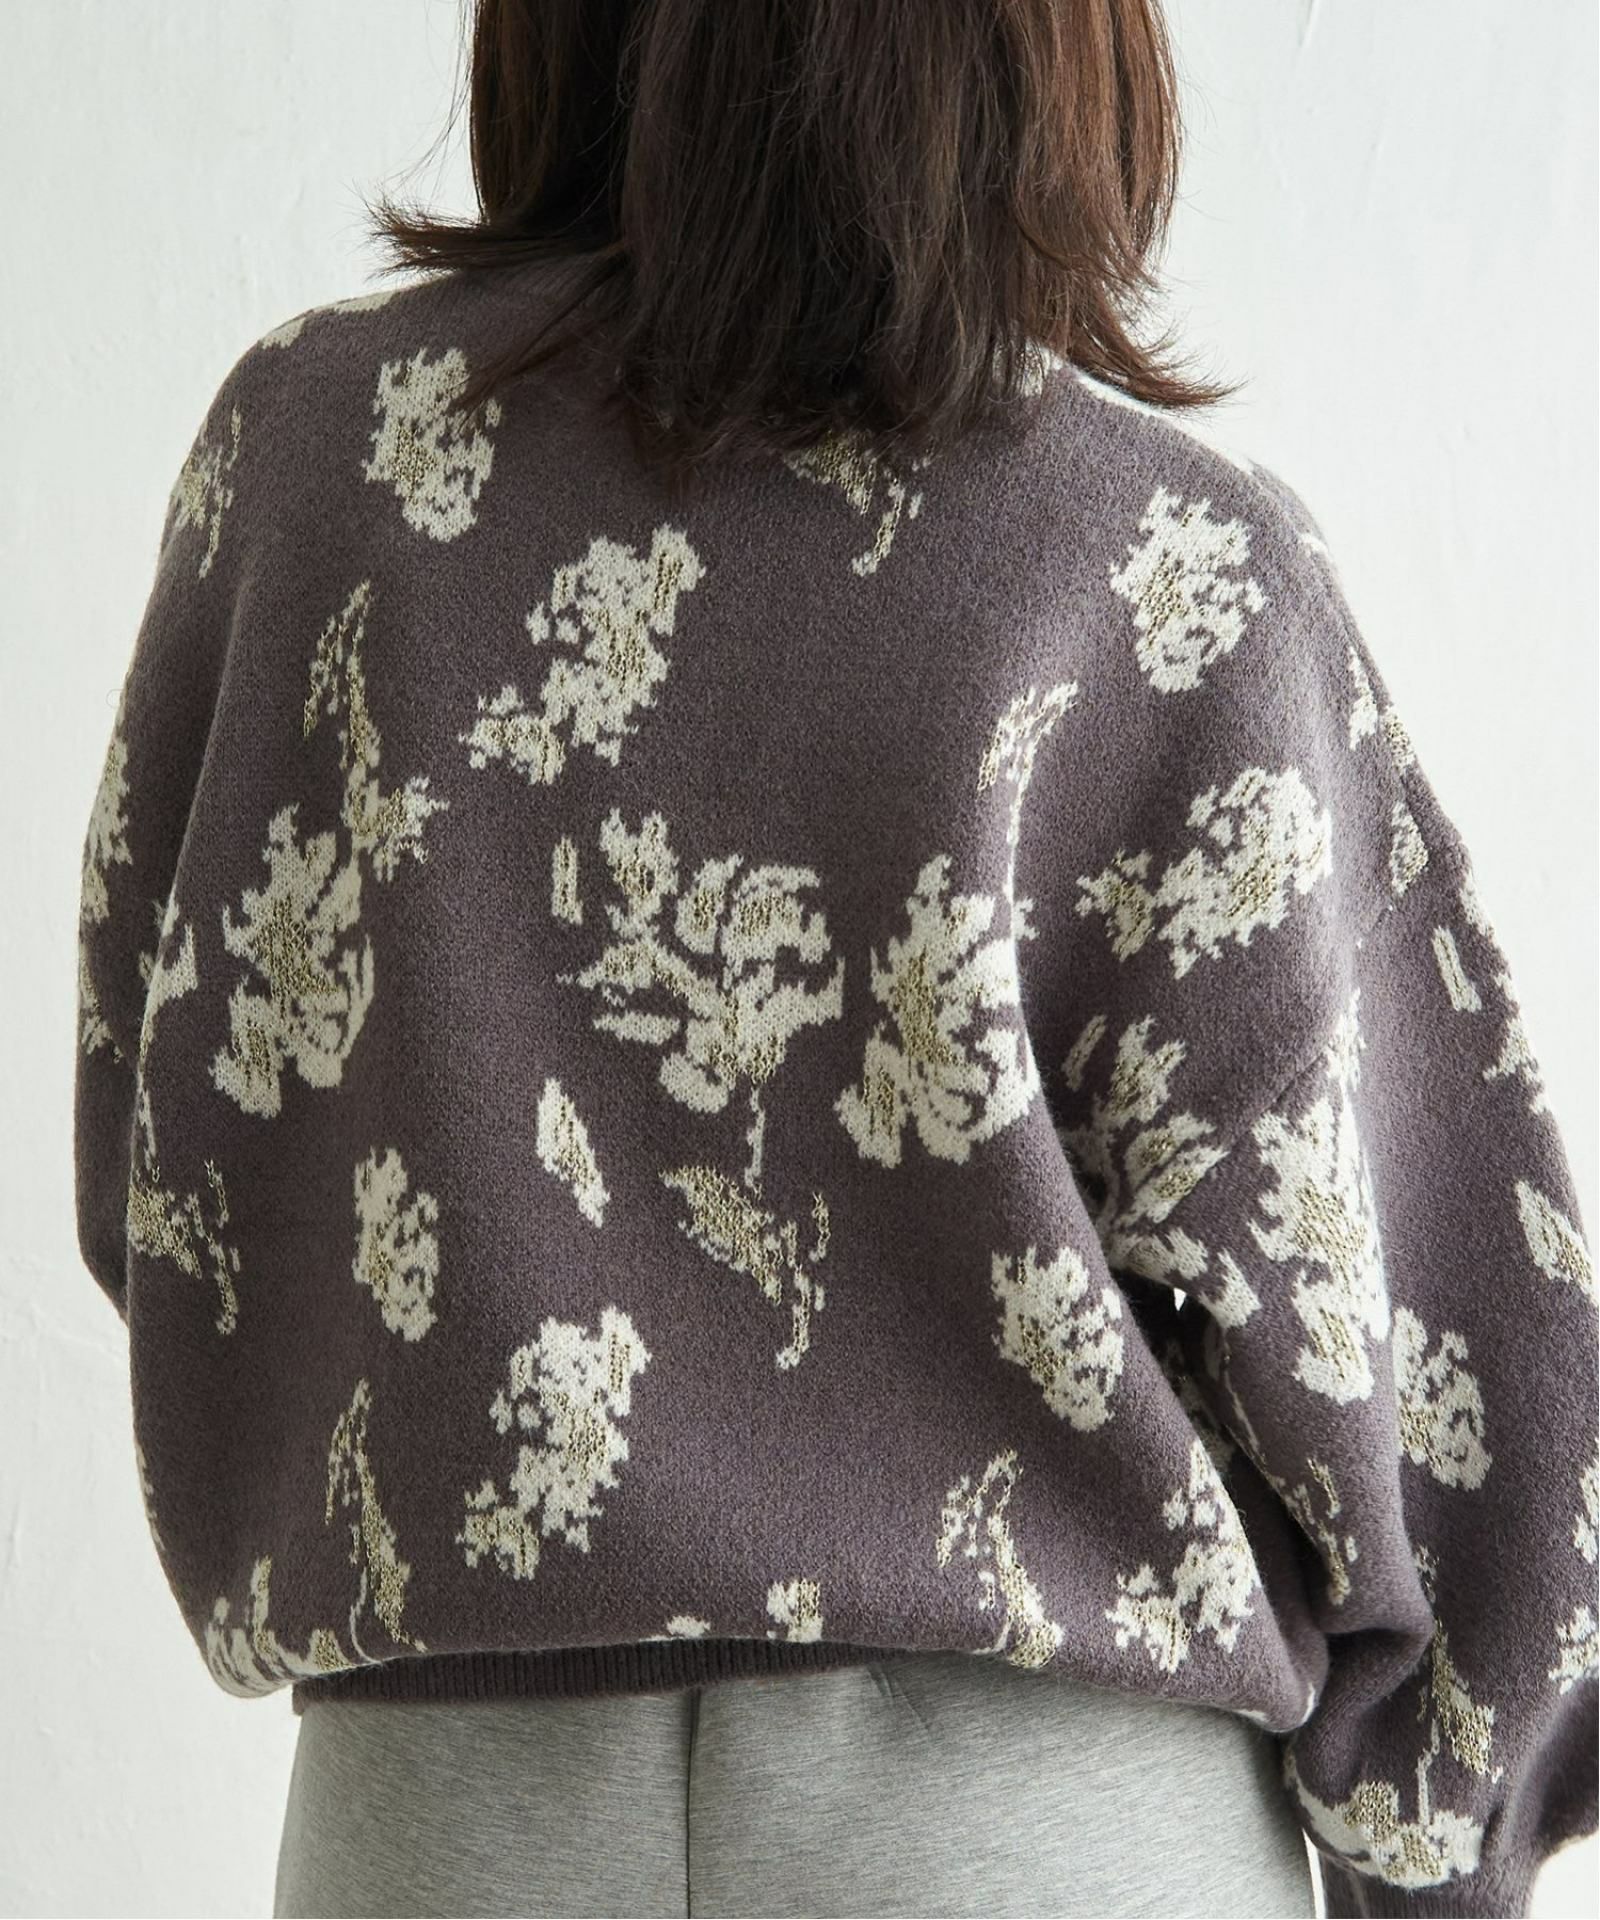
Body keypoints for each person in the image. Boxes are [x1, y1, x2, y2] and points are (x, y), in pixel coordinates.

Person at [71, 3, 1597, 1916]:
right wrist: (1440, 1848)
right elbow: (1430, 1358)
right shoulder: (1174, 575)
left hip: (444, 1826)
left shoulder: (316, 474)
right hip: (1040, 1832)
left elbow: (173, 1173)